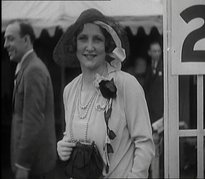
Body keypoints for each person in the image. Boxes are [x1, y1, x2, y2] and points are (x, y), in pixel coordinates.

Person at [54, 8, 155, 178]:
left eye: (97, 39)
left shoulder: (126, 85)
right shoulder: (69, 90)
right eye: (83, 39)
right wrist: (64, 144)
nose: (90, 47)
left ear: (107, 45)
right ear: (75, 45)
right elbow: (72, 133)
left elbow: (144, 143)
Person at [4, 21, 57, 179]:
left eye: (10, 39)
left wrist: (22, 164)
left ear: (26, 40)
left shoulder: (33, 69)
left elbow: (33, 121)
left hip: (34, 166)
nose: (5, 44)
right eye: (5, 39)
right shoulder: (25, 66)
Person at [144, 40, 164, 178]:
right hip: (149, 112)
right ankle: (152, 172)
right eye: (154, 51)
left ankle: (158, 173)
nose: (157, 53)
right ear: (149, 53)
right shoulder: (148, 67)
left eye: (159, 50)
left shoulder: (164, 66)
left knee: (159, 145)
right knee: (150, 144)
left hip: (161, 112)